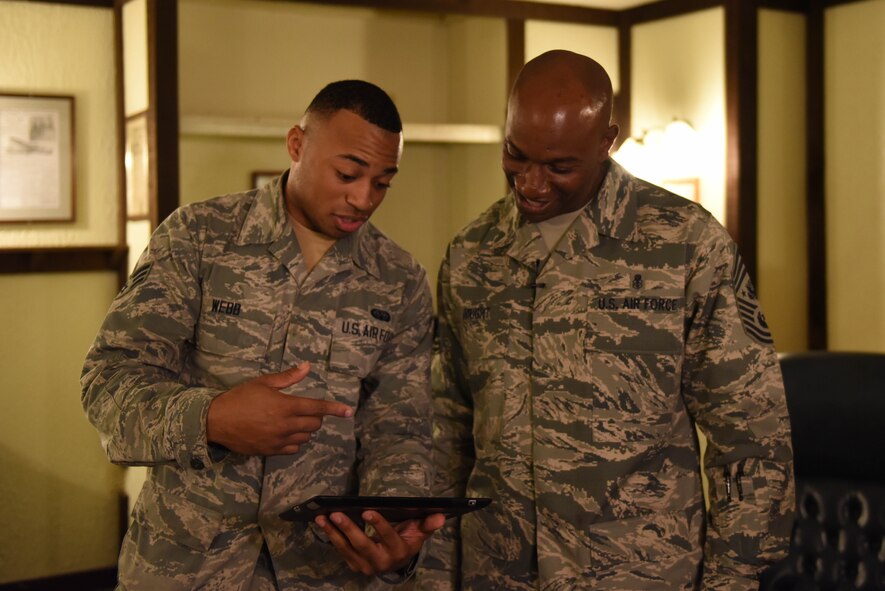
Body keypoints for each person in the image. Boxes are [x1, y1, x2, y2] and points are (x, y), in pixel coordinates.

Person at [417, 50, 795, 590]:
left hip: (638, 574)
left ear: (607, 140)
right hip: (498, 571)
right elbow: (448, 430)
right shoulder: (472, 254)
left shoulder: (686, 245)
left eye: (559, 167)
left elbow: (752, 432)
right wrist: (433, 574)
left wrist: (734, 576)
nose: (532, 184)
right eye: (515, 156)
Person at [82, 80, 444, 590]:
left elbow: (399, 429)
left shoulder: (399, 279)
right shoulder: (200, 237)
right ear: (297, 144)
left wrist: (393, 528)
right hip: (188, 569)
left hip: (323, 572)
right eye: (347, 173)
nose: (363, 198)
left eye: (383, 182)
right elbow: (107, 381)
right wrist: (212, 417)